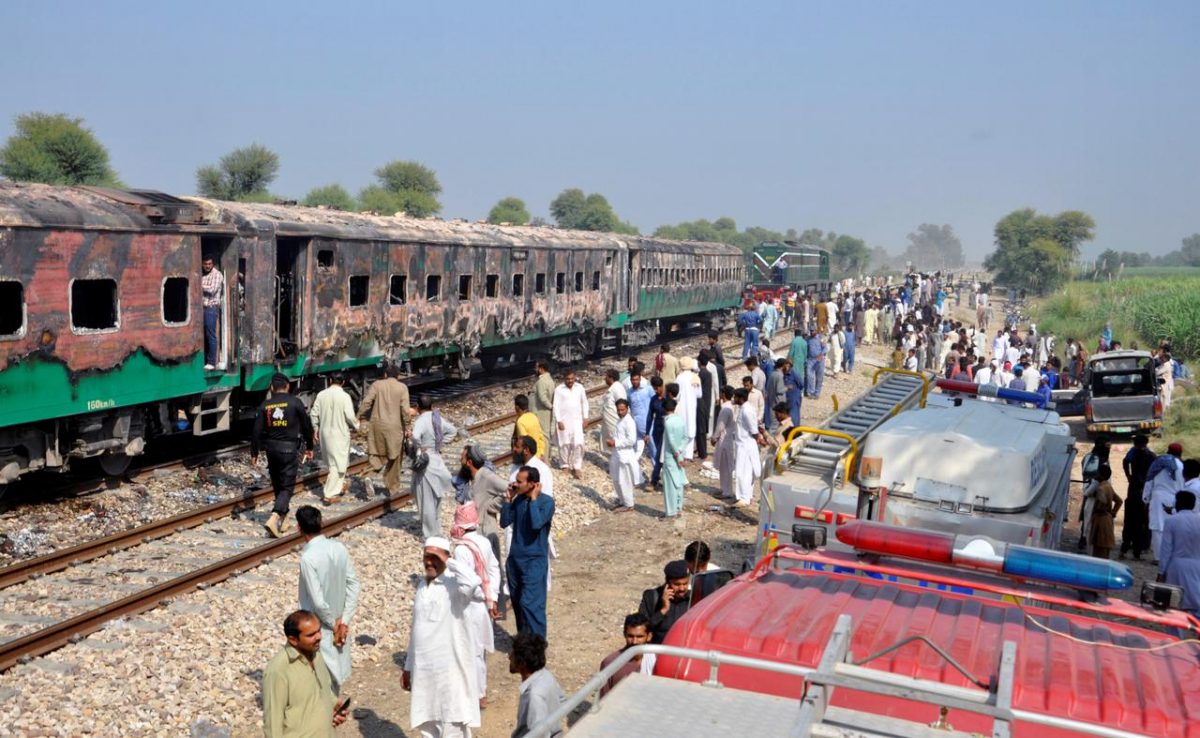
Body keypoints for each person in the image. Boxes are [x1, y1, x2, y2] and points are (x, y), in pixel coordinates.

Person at [403, 537, 484, 738]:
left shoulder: (456, 586)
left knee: (452, 727)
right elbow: (416, 630)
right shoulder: (422, 586)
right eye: (426, 557)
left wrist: (448, 560)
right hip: (425, 675)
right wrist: (408, 667)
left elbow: (474, 581)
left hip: (450, 676)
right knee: (428, 727)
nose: (429, 562)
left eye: (435, 558)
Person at [295, 506, 361, 694]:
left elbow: (317, 601)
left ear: (298, 528)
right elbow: (354, 584)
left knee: (321, 678)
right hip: (340, 624)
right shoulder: (338, 547)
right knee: (334, 677)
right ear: (321, 522)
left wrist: (333, 625)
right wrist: (344, 621)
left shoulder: (308, 558)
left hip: (319, 627)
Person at [262, 610, 349, 738]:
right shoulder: (278, 671)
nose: (319, 637)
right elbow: (273, 725)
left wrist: (333, 704)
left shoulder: (316, 654)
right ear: (293, 640)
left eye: (319, 631)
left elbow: (321, 690)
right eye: (311, 635)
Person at [450, 502, 501, 709]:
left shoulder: (462, 549)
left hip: (469, 606)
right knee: (480, 651)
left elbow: (467, 583)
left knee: (468, 650)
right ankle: (481, 691)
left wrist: (479, 595)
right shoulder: (483, 542)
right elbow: (493, 570)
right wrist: (493, 598)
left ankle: (474, 693)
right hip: (483, 606)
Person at [252, 373, 315, 538]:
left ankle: (284, 519)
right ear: (287, 387)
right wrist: (310, 446)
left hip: (271, 450)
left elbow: (256, 431)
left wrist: (254, 452)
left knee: (278, 484)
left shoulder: (265, 405)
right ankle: (274, 517)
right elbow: (307, 426)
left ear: (271, 388)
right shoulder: (295, 402)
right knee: (287, 487)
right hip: (289, 449)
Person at [502, 465, 555, 637]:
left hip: (534, 561)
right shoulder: (518, 500)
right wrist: (508, 501)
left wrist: (533, 500)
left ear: (532, 484)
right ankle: (524, 641)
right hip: (515, 560)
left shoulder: (546, 502)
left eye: (519, 481)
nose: (515, 484)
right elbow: (504, 522)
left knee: (531, 604)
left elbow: (536, 524)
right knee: (518, 603)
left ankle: (537, 645)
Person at [358, 362, 412, 494]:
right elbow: (405, 410)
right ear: (398, 376)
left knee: (376, 453)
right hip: (395, 427)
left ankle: (369, 475)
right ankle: (392, 487)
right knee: (394, 456)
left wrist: (358, 416)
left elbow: (366, 402)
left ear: (385, 374)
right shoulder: (402, 388)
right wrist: (408, 426)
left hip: (377, 425)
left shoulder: (377, 385)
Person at [412, 395, 460, 540]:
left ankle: (429, 535)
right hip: (436, 459)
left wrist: (419, 447)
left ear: (418, 407)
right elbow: (453, 430)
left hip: (426, 462)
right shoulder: (437, 418)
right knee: (437, 498)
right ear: (431, 406)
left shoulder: (420, 420)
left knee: (426, 500)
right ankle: (436, 530)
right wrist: (439, 444)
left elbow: (415, 436)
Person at [309, 373, 359, 503]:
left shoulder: (321, 395)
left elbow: (314, 414)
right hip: (339, 434)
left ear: (330, 381)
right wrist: (358, 426)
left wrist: (315, 428)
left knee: (333, 463)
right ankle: (329, 494)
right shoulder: (345, 396)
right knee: (338, 464)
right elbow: (350, 416)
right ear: (343, 383)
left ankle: (338, 487)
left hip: (325, 434)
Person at [509, 632, 565, 738]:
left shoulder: (534, 695)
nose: (509, 657)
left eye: (513, 654)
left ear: (522, 664)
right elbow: (561, 699)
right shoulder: (546, 675)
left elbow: (539, 734)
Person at [461, 444, 507, 558]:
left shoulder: (486, 476)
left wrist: (491, 506)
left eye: (462, 457)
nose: (459, 459)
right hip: (473, 532)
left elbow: (510, 490)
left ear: (469, 462)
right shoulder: (471, 478)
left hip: (485, 531)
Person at [1159, 488, 1200, 617]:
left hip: (1176, 566)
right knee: (1196, 600)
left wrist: (1161, 572)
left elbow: (1166, 549)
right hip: (1197, 564)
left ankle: (1175, 636)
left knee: (1173, 605)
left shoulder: (1172, 521)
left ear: (1178, 503)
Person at [1146, 442, 1185, 562]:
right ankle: (1171, 555)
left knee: (1157, 528)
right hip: (1176, 498)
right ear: (1180, 453)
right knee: (1173, 528)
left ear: (1168, 451)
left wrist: (1146, 498)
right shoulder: (1181, 466)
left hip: (1158, 498)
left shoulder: (1158, 463)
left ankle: (1158, 557)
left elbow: (1149, 481)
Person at [599, 613, 654, 698]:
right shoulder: (611, 663)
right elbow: (603, 700)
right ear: (624, 634)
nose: (634, 641)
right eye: (630, 636)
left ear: (649, 636)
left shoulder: (657, 660)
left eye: (640, 637)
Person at [637, 559, 692, 643]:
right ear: (667, 583)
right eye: (677, 584)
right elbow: (640, 629)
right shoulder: (652, 597)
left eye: (685, 584)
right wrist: (663, 610)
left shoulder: (693, 599)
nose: (682, 588)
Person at [1120, 434, 1155, 560]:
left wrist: (1128, 476)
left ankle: (1124, 549)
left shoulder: (1132, 453)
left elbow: (1125, 462)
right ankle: (1138, 551)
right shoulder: (1150, 455)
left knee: (1129, 520)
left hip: (1133, 487)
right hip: (1144, 490)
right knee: (1142, 521)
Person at [730, 387, 763, 508]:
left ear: (741, 398)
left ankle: (743, 498)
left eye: (736, 397)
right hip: (742, 444)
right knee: (746, 472)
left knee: (742, 472)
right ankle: (746, 496)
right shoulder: (744, 408)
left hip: (746, 445)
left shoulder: (746, 410)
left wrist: (759, 438)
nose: (734, 399)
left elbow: (753, 429)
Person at [552, 370, 589, 478]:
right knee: (564, 444)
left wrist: (585, 417)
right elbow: (556, 406)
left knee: (579, 443)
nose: (570, 381)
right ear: (564, 379)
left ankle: (577, 467)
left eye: (572, 379)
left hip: (577, 421)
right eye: (568, 379)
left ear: (575, 378)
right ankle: (565, 465)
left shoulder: (580, 388)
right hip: (564, 421)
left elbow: (584, 402)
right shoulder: (559, 390)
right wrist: (559, 420)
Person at [607, 399, 638, 512]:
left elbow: (631, 440)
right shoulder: (620, 420)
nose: (620, 412)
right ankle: (622, 501)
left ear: (627, 409)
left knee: (624, 480)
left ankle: (629, 504)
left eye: (622, 410)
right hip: (616, 453)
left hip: (625, 455)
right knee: (616, 478)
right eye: (618, 410)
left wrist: (616, 443)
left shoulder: (629, 421)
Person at [1086, 467, 1122, 560]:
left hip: (1100, 520)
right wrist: (1113, 513)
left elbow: (1102, 502)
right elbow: (1119, 501)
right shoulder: (1108, 486)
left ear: (1101, 475)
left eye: (1098, 473)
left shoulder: (1101, 488)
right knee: (1105, 549)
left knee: (1098, 547)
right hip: (1108, 519)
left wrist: (1100, 508)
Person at [660, 398, 687, 518]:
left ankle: (671, 511)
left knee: (670, 484)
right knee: (679, 481)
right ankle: (678, 507)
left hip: (671, 456)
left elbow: (671, 441)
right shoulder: (681, 420)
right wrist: (680, 452)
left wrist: (676, 454)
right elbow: (685, 438)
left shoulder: (668, 422)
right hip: (679, 453)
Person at [711, 386, 737, 500]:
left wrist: (714, 437)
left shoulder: (726, 409)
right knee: (725, 465)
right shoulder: (730, 407)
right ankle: (725, 489)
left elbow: (720, 426)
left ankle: (727, 491)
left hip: (725, 439)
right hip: (729, 438)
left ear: (723, 394)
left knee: (725, 465)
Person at [200, 254, 225, 371]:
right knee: (203, 335)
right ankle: (205, 360)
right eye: (205, 264)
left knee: (211, 335)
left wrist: (198, 284)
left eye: (209, 264)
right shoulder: (203, 275)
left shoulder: (217, 274)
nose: (207, 266)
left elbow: (212, 289)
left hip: (211, 308)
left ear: (213, 264)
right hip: (201, 308)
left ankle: (211, 362)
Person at [675, 357, 700, 460]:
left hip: (681, 406)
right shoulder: (695, 378)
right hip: (692, 406)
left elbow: (676, 394)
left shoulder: (679, 378)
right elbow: (699, 394)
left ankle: (681, 452)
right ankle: (689, 455)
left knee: (682, 428)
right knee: (691, 428)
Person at [695, 352, 718, 464]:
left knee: (700, 430)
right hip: (707, 403)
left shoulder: (700, 375)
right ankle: (702, 452)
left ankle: (702, 453)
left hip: (700, 404)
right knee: (703, 430)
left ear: (699, 362)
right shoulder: (708, 373)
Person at [645, 376, 666, 488]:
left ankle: (654, 480)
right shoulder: (653, 399)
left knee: (660, 456)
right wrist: (647, 432)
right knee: (660, 456)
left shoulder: (668, 398)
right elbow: (650, 416)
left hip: (667, 431)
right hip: (657, 431)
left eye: (658, 388)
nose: (656, 390)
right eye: (654, 388)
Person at [530, 361, 556, 453]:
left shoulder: (541, 381)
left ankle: (545, 459)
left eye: (536, 367)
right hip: (544, 411)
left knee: (544, 435)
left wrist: (551, 407)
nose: (535, 369)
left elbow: (542, 397)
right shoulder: (549, 379)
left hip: (541, 412)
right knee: (545, 434)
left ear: (541, 369)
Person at [600, 368, 628, 454]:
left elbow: (622, 404)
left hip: (615, 422)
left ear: (611, 378)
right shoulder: (614, 387)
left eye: (606, 377)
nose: (605, 379)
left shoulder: (617, 388)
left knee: (617, 442)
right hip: (611, 422)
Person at [512, 394, 546, 461]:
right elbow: (541, 436)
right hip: (538, 455)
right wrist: (541, 453)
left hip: (529, 458)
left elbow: (524, 442)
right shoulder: (534, 416)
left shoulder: (520, 421)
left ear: (517, 407)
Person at [764, 359, 788, 433]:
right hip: (778, 403)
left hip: (772, 402)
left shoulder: (772, 374)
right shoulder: (780, 375)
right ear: (783, 365)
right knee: (775, 425)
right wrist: (787, 388)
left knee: (774, 423)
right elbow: (779, 390)